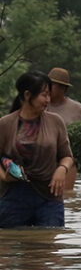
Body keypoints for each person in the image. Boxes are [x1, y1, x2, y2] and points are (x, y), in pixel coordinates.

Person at [0, 72, 75, 228]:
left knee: (49, 239)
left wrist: (62, 169)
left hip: (49, 197)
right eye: (44, 95)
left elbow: (67, 155)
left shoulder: (56, 122)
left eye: (49, 95)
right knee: (11, 240)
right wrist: (4, 176)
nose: (48, 100)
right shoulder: (5, 124)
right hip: (14, 198)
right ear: (28, 95)